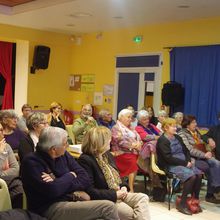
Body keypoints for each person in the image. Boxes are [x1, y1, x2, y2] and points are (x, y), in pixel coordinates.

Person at [20, 126, 119, 220]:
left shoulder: (64, 155)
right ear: (53, 149)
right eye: (65, 143)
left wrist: (57, 181)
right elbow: (52, 190)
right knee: (108, 207)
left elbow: (85, 179)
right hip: (48, 208)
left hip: (70, 199)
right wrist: (70, 175)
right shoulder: (31, 162)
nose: (67, 146)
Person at [78, 126, 151, 220]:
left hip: (119, 192)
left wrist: (124, 186)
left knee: (143, 197)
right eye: (108, 138)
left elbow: (117, 176)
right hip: (106, 198)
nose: (111, 140)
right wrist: (115, 195)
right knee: (132, 213)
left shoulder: (107, 154)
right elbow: (90, 190)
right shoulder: (86, 160)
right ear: (99, 142)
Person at [156, 118, 203, 215]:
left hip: (184, 162)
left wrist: (189, 160)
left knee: (199, 174)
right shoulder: (162, 140)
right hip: (170, 165)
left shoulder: (177, 137)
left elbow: (186, 150)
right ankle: (182, 203)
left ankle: (194, 200)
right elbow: (168, 158)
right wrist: (185, 163)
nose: (175, 128)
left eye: (175, 125)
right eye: (173, 126)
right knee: (191, 176)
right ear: (166, 128)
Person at [178, 115, 220, 203]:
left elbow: (203, 141)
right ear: (187, 124)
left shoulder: (196, 131)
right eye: (193, 122)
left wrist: (208, 147)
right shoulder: (182, 133)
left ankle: (216, 187)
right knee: (208, 167)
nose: (196, 124)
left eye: (195, 122)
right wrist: (205, 155)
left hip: (202, 156)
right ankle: (210, 193)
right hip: (192, 158)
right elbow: (189, 150)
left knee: (216, 163)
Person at [111, 109, 142, 192]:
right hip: (120, 153)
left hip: (132, 151)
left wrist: (139, 143)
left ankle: (129, 186)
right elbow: (120, 141)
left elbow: (138, 138)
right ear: (121, 117)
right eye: (128, 117)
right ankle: (131, 188)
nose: (130, 119)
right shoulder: (116, 128)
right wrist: (132, 145)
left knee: (140, 159)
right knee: (133, 162)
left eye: (131, 117)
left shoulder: (131, 128)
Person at [135, 110, 162, 187]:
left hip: (158, 148)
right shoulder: (138, 128)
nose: (147, 121)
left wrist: (159, 137)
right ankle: (156, 183)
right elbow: (146, 137)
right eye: (144, 119)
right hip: (147, 152)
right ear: (139, 121)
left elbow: (161, 133)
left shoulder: (152, 126)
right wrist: (158, 137)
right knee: (152, 163)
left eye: (147, 118)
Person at [0, 123, 23, 208]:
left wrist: (1, 174)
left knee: (22, 191)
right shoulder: (3, 148)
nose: (3, 133)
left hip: (11, 182)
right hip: (4, 183)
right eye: (0, 130)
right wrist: (1, 154)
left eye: (2, 129)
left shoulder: (6, 146)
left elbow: (16, 169)